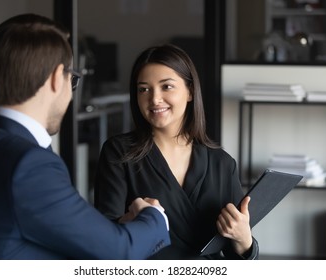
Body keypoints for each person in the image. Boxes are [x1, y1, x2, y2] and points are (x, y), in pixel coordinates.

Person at [0, 14, 171, 260]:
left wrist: (117, 228)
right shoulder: (29, 164)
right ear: (58, 78)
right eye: (73, 79)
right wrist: (154, 217)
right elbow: (119, 254)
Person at [94, 44, 259, 259]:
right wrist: (134, 220)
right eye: (144, 89)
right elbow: (104, 237)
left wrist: (244, 240)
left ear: (190, 91)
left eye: (167, 87)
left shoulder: (222, 163)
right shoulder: (118, 153)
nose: (154, 99)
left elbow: (234, 255)